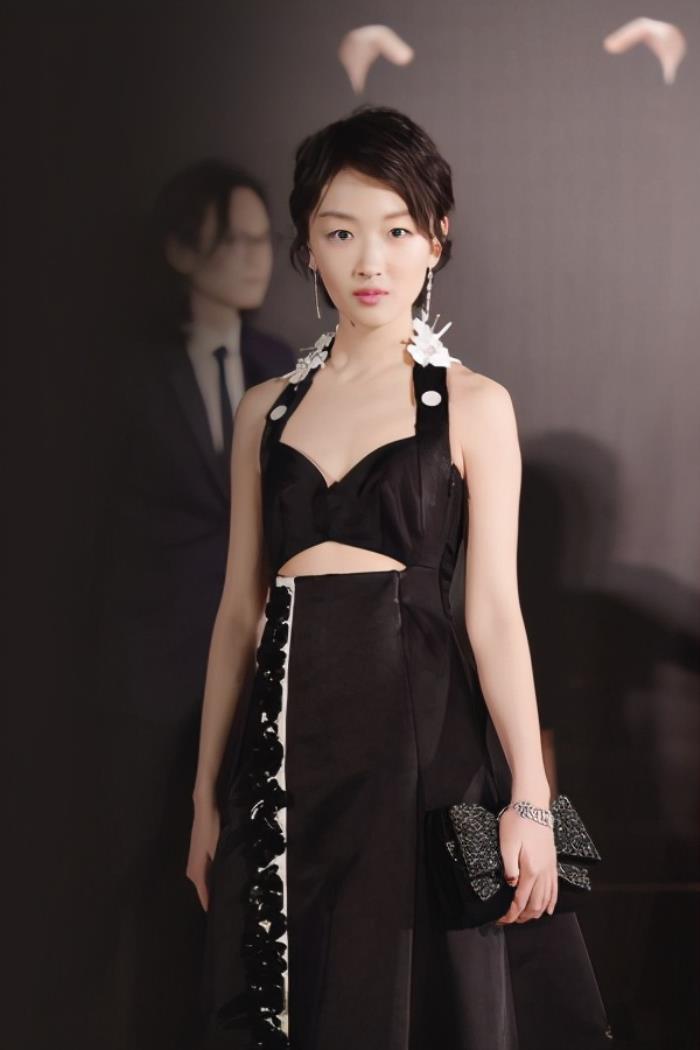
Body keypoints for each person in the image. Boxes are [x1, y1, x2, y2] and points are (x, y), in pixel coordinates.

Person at [188, 108, 613, 1049]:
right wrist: (204, 796)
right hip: (285, 755)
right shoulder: (264, 410)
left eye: (397, 230)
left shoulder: (476, 404)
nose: (370, 261)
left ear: (437, 238)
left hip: (428, 754)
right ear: (308, 246)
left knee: (431, 996)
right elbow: (238, 613)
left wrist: (530, 798)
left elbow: (494, 613)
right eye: (341, 233)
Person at [94, 160, 296, 1049]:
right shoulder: (118, 373)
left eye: (263, 239)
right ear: (181, 250)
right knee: (125, 881)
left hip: (253, 675)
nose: (256, 258)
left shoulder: (281, 369)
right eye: (233, 240)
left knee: (229, 896)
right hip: (140, 676)